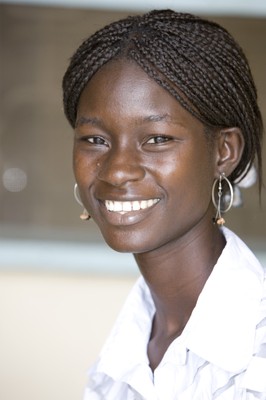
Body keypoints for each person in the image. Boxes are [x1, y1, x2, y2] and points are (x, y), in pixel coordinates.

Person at [62, 9, 266, 399]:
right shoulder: (124, 355)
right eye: (95, 139)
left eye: (157, 139)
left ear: (224, 152)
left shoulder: (256, 353)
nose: (117, 171)